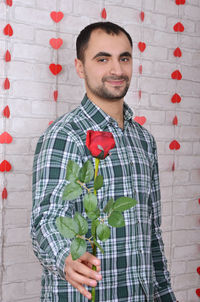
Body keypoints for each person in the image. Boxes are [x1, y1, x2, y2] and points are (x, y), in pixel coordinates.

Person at [31, 22, 177, 302]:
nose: (117, 70)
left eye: (124, 58)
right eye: (102, 59)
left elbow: (152, 232)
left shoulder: (144, 140)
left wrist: (166, 294)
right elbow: (45, 219)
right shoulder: (65, 135)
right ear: (80, 67)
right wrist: (65, 258)